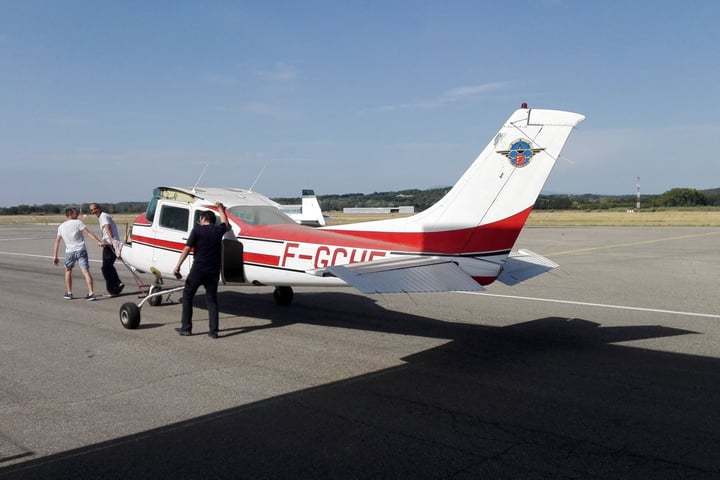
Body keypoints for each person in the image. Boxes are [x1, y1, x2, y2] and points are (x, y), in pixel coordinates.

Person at [172, 202, 228, 338]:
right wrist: (221, 209)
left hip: (198, 269)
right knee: (212, 300)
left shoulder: (197, 230)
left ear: (203, 219)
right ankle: (213, 332)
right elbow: (225, 223)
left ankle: (186, 328)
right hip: (213, 271)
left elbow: (187, 248)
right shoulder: (218, 231)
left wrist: (178, 266)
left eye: (200, 219)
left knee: (187, 295)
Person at [53, 207, 104, 301]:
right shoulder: (78, 223)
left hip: (69, 252)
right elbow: (88, 233)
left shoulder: (61, 226)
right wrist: (98, 241)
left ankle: (69, 293)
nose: (77, 215)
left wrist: (55, 256)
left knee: (68, 270)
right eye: (76, 213)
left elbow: (57, 241)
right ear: (70, 214)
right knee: (85, 271)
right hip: (81, 250)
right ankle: (91, 293)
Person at [89, 203, 125, 296]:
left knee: (106, 267)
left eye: (94, 209)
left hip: (110, 244)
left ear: (99, 208)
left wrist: (112, 241)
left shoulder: (103, 216)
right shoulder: (102, 216)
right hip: (109, 243)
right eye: (91, 210)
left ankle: (115, 286)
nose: (93, 211)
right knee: (107, 267)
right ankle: (115, 287)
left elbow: (108, 227)